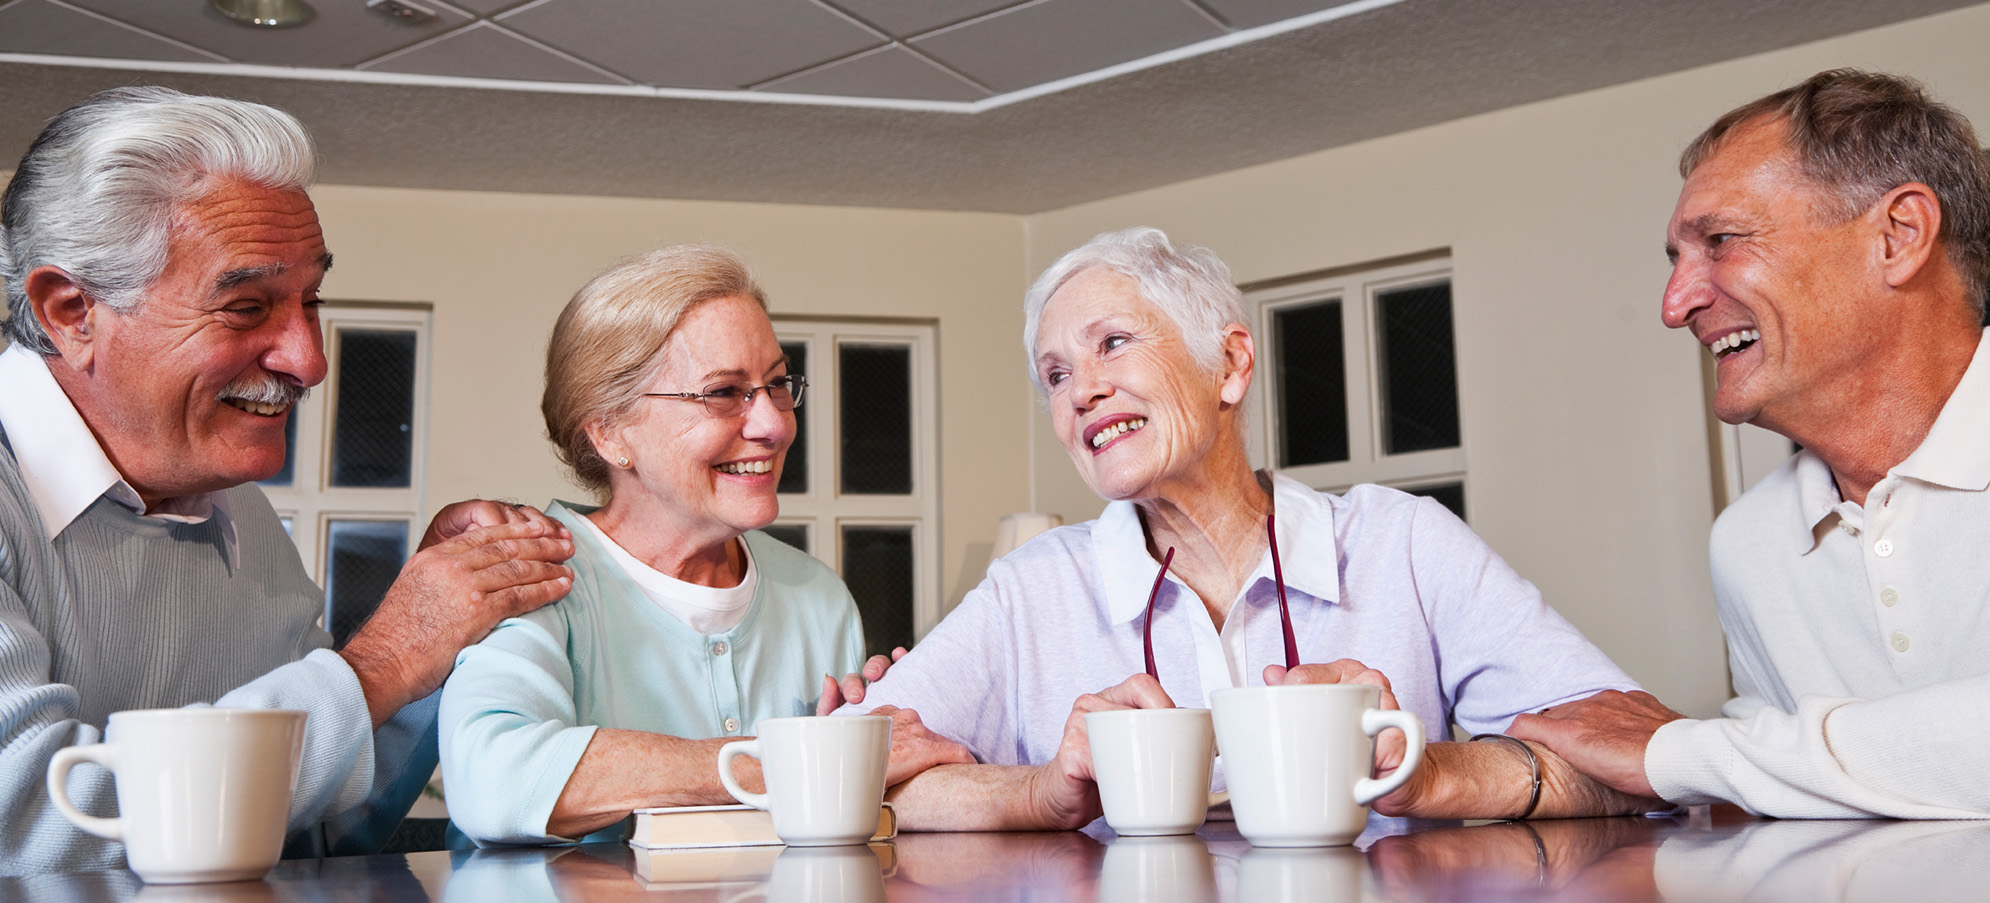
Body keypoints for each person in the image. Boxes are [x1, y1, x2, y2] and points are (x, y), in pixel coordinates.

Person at [845, 227, 1659, 831]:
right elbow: (851, 771)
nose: (1081, 391)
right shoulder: (1034, 587)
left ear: (1230, 366)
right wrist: (1044, 788)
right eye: (1055, 374)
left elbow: (1632, 770)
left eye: (1113, 344)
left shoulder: (1404, 543)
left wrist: (1424, 770)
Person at [0, 87, 577, 873]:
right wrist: (383, 659)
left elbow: (323, 823)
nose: (309, 360)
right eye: (246, 307)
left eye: (310, 300)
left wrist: (446, 630)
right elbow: (28, 821)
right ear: (72, 311)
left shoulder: (240, 513)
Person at [1511, 70, 1990, 818]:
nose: (1677, 305)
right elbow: (1783, 788)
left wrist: (1681, 752)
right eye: (1676, 259)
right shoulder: (1748, 544)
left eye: (1722, 241)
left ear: (1898, 235)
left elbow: (1750, 761)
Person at [438, 246, 970, 845]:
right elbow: (495, 782)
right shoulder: (530, 573)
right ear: (610, 430)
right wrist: (796, 763)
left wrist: (876, 745)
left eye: (776, 384)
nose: (773, 424)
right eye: (724, 392)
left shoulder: (817, 596)